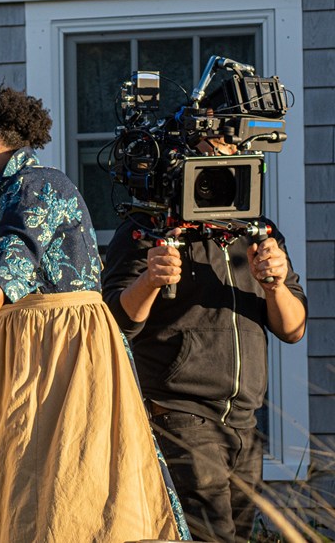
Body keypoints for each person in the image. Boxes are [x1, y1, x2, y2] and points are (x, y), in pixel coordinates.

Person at [0, 85, 184, 542]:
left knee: (69, 510)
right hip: (28, 374)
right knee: (20, 512)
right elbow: (12, 328)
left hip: (66, 369)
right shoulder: (6, 205)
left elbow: (15, 255)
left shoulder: (41, 185)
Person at [101, 135, 307, 543]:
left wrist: (275, 285)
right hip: (182, 413)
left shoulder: (259, 233)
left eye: (231, 151)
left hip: (245, 420)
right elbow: (115, 323)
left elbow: (293, 329)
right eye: (210, 150)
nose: (221, 161)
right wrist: (150, 280)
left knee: (236, 536)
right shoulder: (147, 226)